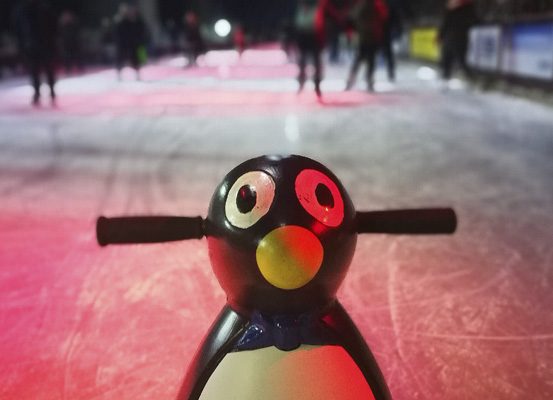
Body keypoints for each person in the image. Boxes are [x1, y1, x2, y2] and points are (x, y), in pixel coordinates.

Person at [17, 0, 58, 105]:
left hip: (46, 44)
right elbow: (21, 29)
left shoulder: (45, 8)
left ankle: (52, 92)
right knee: (35, 71)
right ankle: (37, 93)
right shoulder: (24, 10)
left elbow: (53, 26)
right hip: (32, 46)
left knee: (48, 70)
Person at [345, 0, 388, 92]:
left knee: (363, 59)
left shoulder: (367, 4)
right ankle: (366, 80)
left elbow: (353, 16)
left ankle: (354, 80)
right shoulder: (375, 3)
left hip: (368, 35)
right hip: (370, 35)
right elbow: (384, 16)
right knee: (368, 59)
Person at [438, 0, 478, 80]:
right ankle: (446, 74)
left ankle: (469, 76)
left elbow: (473, 20)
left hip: (460, 36)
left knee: (461, 57)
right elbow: (446, 23)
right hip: (451, 36)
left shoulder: (467, 7)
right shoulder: (451, 10)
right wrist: (441, 35)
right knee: (447, 56)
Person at [294, 0, 326, 97]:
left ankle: (317, 85)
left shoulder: (316, 8)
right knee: (302, 62)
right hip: (304, 36)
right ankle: (302, 82)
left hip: (313, 36)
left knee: (316, 62)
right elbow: (299, 23)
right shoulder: (302, 9)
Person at [115, 4, 147, 80]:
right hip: (123, 44)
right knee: (120, 59)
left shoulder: (139, 20)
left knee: (136, 59)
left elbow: (142, 31)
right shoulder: (121, 21)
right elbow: (118, 33)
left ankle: (138, 74)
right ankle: (119, 75)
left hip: (136, 43)